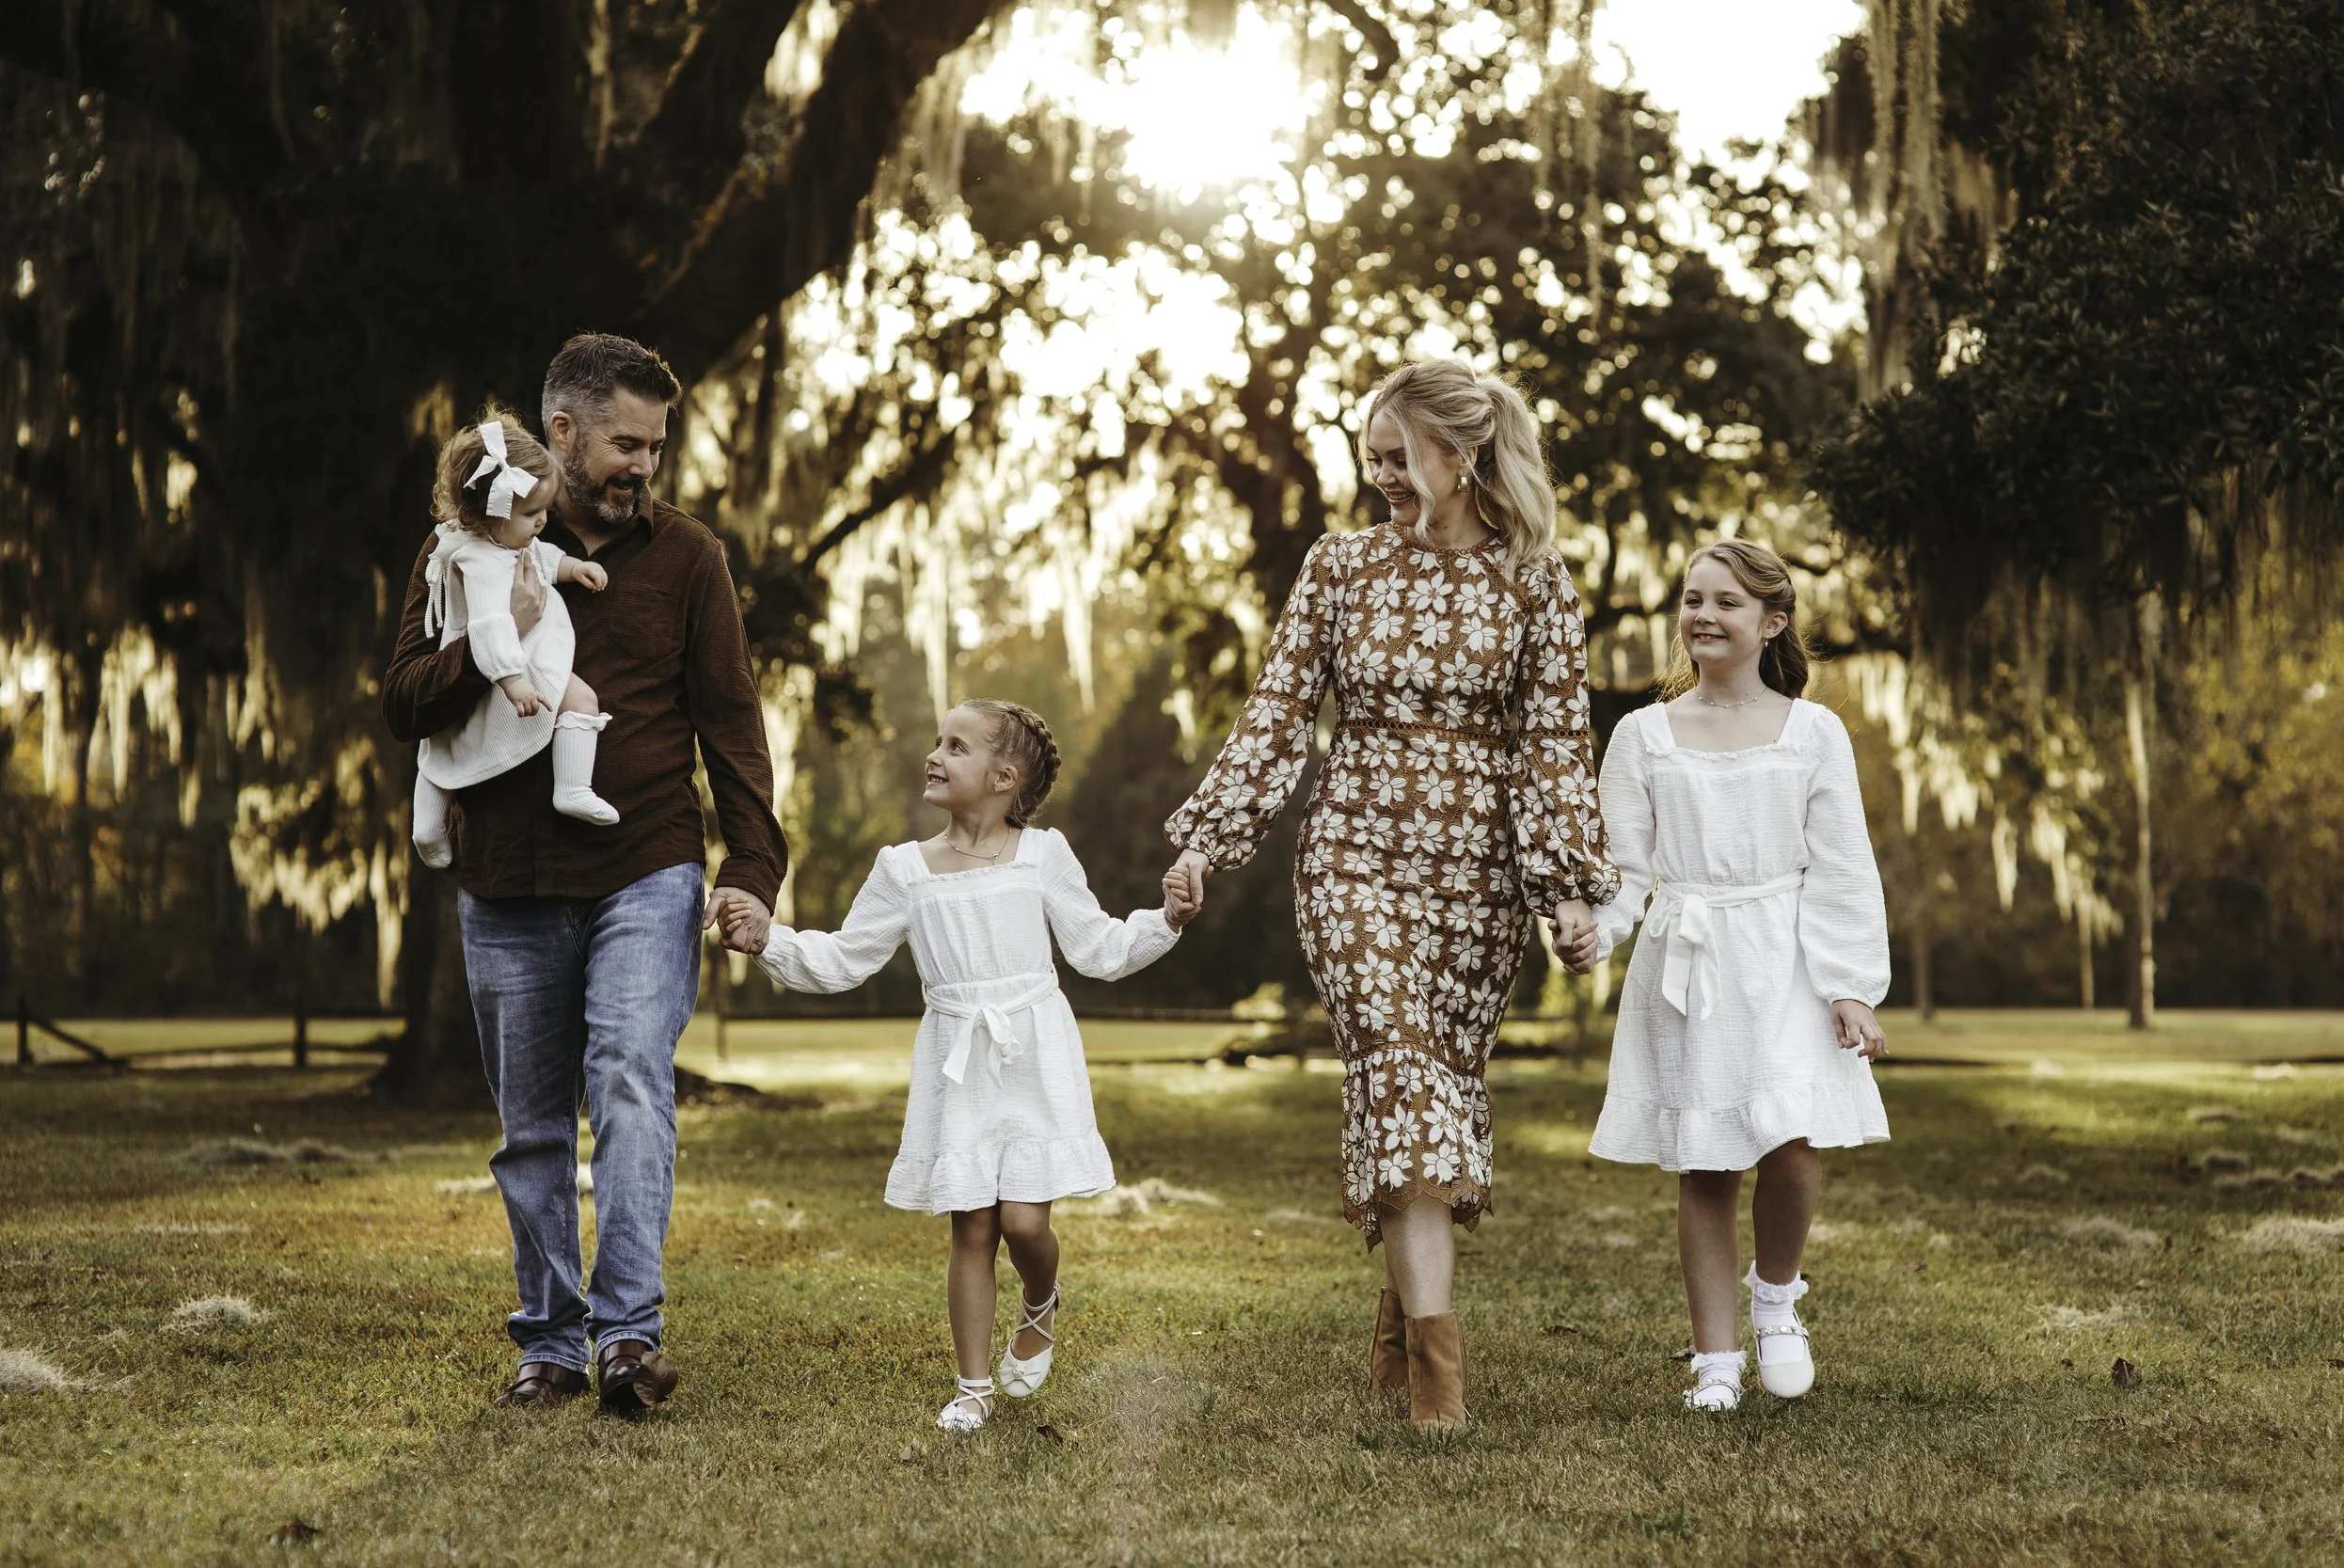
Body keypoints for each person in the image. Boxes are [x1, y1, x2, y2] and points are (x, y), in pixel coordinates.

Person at [1164, 358, 1616, 1430]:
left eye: (1397, 455)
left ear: (1462, 457)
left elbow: (1555, 745)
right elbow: (1277, 711)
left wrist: (1566, 886)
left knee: (1437, 1084)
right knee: (1405, 1070)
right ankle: (1439, 1386)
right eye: (1369, 456)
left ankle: (1402, 1318)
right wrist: (1205, 842)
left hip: (1476, 873)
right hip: (1354, 855)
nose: (1380, 477)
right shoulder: (1339, 565)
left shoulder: (1537, 584)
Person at [383, 334, 784, 1416]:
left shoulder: (689, 556)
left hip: (643, 863)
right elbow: (403, 699)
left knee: (630, 1082)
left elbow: (731, 720)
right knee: (532, 1128)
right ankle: (550, 1343)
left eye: (655, 445)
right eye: (624, 441)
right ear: (560, 433)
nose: (643, 463)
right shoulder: (460, 544)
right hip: (505, 880)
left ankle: (627, 1337)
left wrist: (752, 863)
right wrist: (491, 643)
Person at [721, 700, 1197, 1433]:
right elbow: (846, 958)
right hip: (958, 1059)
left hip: (1034, 1052)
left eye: (957, 745)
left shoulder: (1044, 857)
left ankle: (1040, 1299)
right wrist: (769, 941)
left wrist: (1165, 921)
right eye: (936, 740)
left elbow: (1098, 947)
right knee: (972, 1223)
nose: (935, 755)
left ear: (1005, 777)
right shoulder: (904, 870)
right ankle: (972, 1385)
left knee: (1025, 1222)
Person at [1558, 538, 1891, 1413]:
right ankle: (1715, 1359)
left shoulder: (1813, 732)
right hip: (1690, 960)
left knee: (1793, 1139)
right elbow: (1625, 871)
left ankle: (1776, 1296)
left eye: (1726, 602)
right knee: (1706, 1161)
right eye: (1692, 598)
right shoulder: (1643, 735)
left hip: (1784, 955)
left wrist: (1849, 983)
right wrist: (1595, 931)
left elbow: (1842, 864)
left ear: (1771, 621)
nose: (1702, 614)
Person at [411, 410, 618, 872]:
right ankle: (427, 828)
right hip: (501, 663)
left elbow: (539, 556)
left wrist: (572, 569)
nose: (542, 521)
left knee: (580, 699)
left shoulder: (509, 540)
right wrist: (513, 681)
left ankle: (571, 788)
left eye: (545, 509)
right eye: (531, 513)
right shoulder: (480, 560)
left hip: (522, 655)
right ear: (487, 516)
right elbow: (488, 625)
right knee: (448, 742)